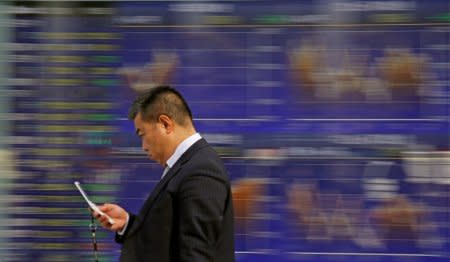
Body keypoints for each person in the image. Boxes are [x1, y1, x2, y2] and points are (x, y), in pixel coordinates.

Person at [93, 85, 235, 262]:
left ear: (165, 124)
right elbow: (171, 238)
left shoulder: (201, 171)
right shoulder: (188, 166)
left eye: (142, 134)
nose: (143, 146)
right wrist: (128, 224)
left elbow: (196, 254)